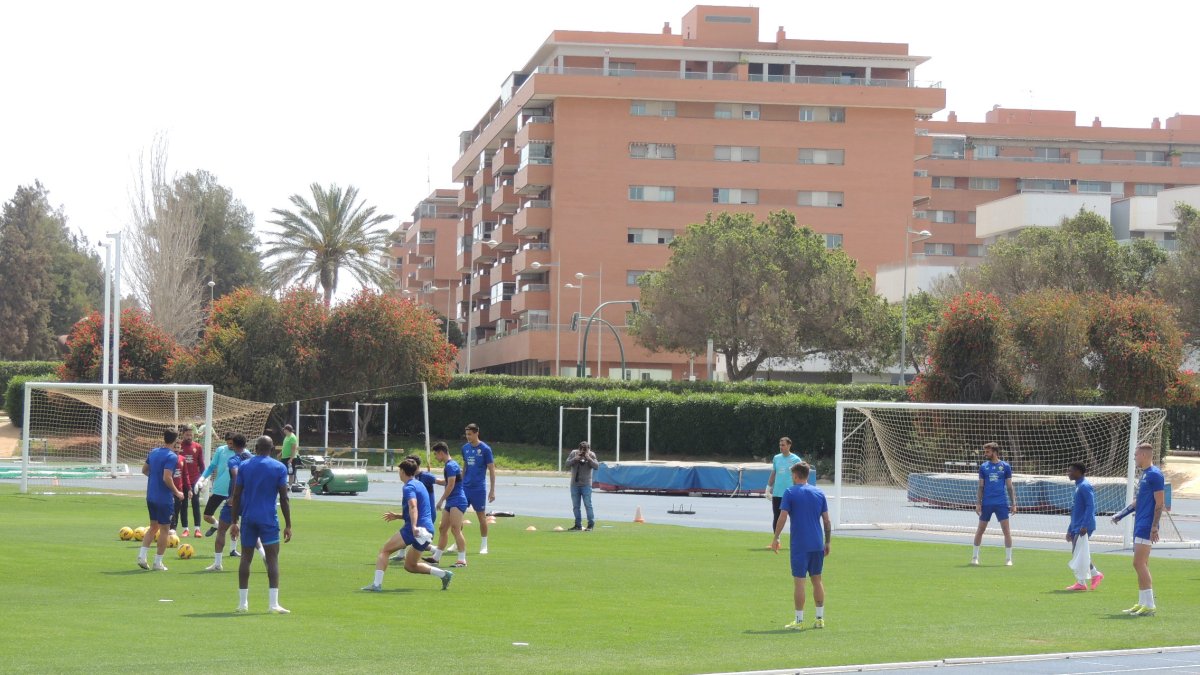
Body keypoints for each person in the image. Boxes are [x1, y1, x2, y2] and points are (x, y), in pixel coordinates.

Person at [362, 457, 453, 592]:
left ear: (403, 471)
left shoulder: (409, 487)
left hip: (415, 529)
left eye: (399, 470)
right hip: (428, 529)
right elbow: (421, 508)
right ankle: (444, 574)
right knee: (410, 566)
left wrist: (414, 526)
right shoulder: (419, 484)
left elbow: (413, 506)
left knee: (384, 551)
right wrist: (398, 516)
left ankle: (376, 585)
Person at [229, 435, 293, 614]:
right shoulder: (279, 467)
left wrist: (234, 522)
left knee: (245, 559)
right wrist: (288, 524)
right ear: (272, 449)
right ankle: (273, 604)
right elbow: (284, 497)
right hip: (268, 518)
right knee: (272, 559)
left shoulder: (244, 465)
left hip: (248, 517)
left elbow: (236, 495)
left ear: (256, 448)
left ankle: (243, 604)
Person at [770, 462, 830, 630]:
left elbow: (782, 517)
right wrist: (828, 541)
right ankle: (819, 619)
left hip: (800, 545)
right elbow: (826, 520)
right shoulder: (819, 492)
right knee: (817, 580)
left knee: (799, 583)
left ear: (795, 476)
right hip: (817, 543)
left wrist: (776, 537)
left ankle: (799, 620)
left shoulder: (790, 492)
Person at [1112, 442, 1165, 616]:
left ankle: (1150, 605)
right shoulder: (1145, 475)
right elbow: (1139, 501)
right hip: (1140, 523)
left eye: (1136, 455)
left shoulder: (1155, 475)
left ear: (1143, 455)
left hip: (1146, 525)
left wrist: (1154, 527)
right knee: (1142, 564)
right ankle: (1143, 602)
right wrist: (1121, 514)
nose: (1134, 458)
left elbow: (1160, 503)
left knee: (1138, 563)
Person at [138, 428, 186, 571]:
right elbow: (167, 477)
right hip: (164, 498)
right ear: (176, 440)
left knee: (153, 527)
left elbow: (144, 470)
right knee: (165, 529)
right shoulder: (172, 456)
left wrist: (154, 480)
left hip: (151, 496)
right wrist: (177, 492)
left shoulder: (153, 452)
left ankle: (142, 556)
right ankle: (158, 563)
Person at [206, 434, 252, 571]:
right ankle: (264, 557)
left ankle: (218, 564)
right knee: (251, 531)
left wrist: (232, 495)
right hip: (249, 500)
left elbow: (236, 474)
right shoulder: (252, 458)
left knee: (221, 530)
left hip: (235, 499)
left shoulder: (234, 459)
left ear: (234, 445)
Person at [971, 442, 1016, 566]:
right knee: (980, 529)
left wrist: (1013, 504)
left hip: (1001, 503)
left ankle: (1008, 559)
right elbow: (980, 486)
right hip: (987, 503)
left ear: (994, 452)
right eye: (985, 451)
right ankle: (974, 557)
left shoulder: (1005, 466)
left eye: (987, 452)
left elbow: (1010, 486)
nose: (985, 454)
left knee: (1006, 530)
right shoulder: (983, 467)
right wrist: (978, 503)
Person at [425, 442, 469, 568]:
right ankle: (436, 557)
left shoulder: (450, 465)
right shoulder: (450, 465)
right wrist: (434, 480)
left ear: (441, 453)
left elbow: (451, 485)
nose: (435, 457)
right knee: (443, 528)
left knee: (456, 529)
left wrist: (441, 500)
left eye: (436, 454)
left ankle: (462, 560)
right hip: (451, 501)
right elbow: (447, 481)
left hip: (457, 500)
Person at [391, 454, 438, 562]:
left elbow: (413, 506)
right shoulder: (413, 482)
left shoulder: (423, 478)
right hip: (417, 515)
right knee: (413, 538)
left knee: (413, 537)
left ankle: (434, 549)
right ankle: (402, 554)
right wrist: (398, 516)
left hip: (424, 514)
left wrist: (456, 479)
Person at [1064, 461, 1102, 591]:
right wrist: (1070, 529)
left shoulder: (1085, 486)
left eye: (1070, 471)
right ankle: (1094, 575)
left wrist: (1085, 525)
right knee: (1079, 553)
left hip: (1084, 525)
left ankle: (1082, 582)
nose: (1068, 473)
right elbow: (1075, 509)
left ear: (1078, 472)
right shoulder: (1078, 486)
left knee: (1078, 552)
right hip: (1077, 524)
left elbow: (1090, 506)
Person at [461, 423, 496, 554]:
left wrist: (492, 490)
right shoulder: (465, 448)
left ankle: (484, 544)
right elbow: (465, 467)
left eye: (470, 434)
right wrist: (460, 483)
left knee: (481, 517)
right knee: (457, 516)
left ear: (477, 433)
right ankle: (458, 541)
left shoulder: (485, 449)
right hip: (465, 487)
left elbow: (492, 470)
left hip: (478, 489)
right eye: (466, 434)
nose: (468, 437)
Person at [200, 431, 236, 537]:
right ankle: (217, 525)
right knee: (207, 516)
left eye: (232, 443)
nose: (230, 445)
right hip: (219, 489)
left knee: (234, 522)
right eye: (228, 443)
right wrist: (202, 478)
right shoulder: (221, 450)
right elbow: (212, 467)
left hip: (233, 491)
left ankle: (233, 550)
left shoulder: (241, 452)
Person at [766, 437, 803, 531]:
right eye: (780, 445)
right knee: (777, 517)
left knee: (795, 518)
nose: (781, 447)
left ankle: (796, 540)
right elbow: (774, 473)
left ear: (789, 445)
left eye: (783, 445)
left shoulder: (796, 460)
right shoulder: (776, 458)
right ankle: (776, 541)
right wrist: (768, 488)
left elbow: (801, 476)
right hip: (777, 493)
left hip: (791, 493)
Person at [175, 425, 205, 538]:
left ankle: (197, 529)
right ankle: (185, 529)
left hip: (195, 480)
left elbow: (201, 465)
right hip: (182, 481)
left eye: (191, 434)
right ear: (183, 435)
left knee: (196, 504)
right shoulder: (178, 446)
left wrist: (203, 479)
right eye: (187, 435)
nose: (189, 436)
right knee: (183, 505)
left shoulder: (197, 447)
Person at [565, 441, 598, 531]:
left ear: (588, 449)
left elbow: (596, 466)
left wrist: (589, 458)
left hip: (586, 485)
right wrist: (575, 459)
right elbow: (567, 464)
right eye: (582, 450)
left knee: (588, 505)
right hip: (574, 485)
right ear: (579, 449)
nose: (583, 452)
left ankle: (590, 525)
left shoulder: (591, 454)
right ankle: (578, 525)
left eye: (585, 450)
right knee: (576, 506)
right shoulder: (574, 453)